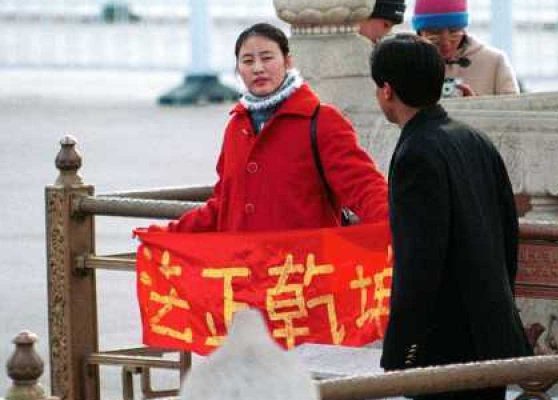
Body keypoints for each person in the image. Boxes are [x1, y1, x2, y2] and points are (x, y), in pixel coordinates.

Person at [370, 33, 532, 399]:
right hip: (492, 335)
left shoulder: (416, 153)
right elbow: (508, 234)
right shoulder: (474, 139)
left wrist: (401, 349)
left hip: (446, 345)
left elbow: (419, 263)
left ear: (386, 90)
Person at [160, 23, 388, 233]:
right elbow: (224, 204)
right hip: (244, 269)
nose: (258, 68)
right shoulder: (236, 126)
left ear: (288, 62)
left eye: (267, 58)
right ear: (238, 69)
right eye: (247, 61)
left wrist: (399, 225)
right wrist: (168, 234)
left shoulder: (321, 120)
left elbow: (363, 186)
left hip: (304, 268)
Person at [412, 0, 519, 97]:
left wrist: (476, 108)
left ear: (463, 29)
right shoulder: (406, 63)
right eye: (434, 33)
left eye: (454, 31)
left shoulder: (494, 62)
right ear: (420, 32)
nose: (446, 42)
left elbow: (516, 113)